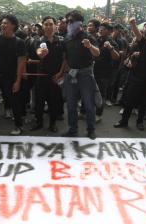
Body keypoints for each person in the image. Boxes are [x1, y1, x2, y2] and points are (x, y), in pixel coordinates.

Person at [114, 18, 146, 131]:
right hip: (135, 77)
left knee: (144, 102)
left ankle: (140, 122)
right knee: (129, 101)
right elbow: (137, 34)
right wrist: (133, 24)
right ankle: (124, 121)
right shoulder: (144, 44)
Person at [62, 10, 100, 139]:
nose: (68, 23)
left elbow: (97, 53)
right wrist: (63, 73)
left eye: (71, 21)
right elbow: (65, 58)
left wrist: (90, 46)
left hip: (85, 75)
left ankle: (91, 130)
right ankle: (72, 129)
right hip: (71, 75)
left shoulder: (88, 37)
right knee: (71, 104)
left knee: (89, 104)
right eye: (67, 21)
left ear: (79, 22)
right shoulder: (67, 38)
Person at [30, 16, 67, 133]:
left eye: (51, 24)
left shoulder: (61, 41)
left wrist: (61, 73)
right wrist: (41, 53)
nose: (49, 27)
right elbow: (38, 52)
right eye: (46, 24)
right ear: (43, 26)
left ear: (55, 26)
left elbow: (66, 59)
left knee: (54, 102)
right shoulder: (38, 40)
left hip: (56, 77)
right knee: (39, 102)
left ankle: (52, 124)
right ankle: (39, 122)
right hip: (41, 76)